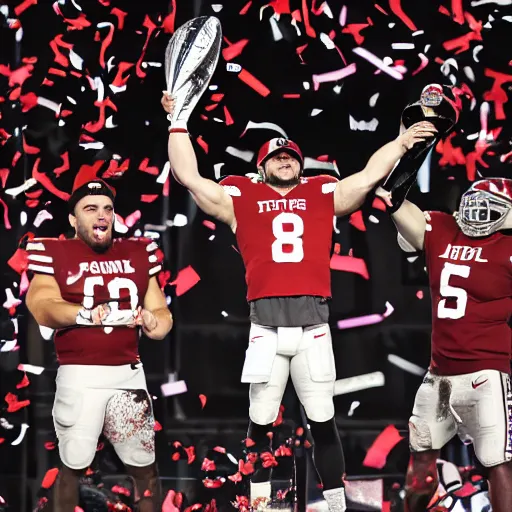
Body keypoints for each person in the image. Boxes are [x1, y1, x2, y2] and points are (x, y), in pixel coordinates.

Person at [161, 91, 436, 512]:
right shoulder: (240, 198)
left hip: (313, 327)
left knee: (322, 419)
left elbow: (365, 178)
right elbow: (189, 176)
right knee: (260, 424)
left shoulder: (321, 194)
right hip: (266, 329)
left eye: (291, 155)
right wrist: (177, 121)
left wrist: (400, 144)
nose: (285, 159)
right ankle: (259, 503)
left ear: (301, 163)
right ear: (260, 166)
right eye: (276, 156)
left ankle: (335, 503)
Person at [25, 174, 173, 512]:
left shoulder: (138, 251)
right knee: (73, 464)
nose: (102, 215)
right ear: (73, 219)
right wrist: (85, 314)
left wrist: (154, 323)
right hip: (81, 374)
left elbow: (161, 313)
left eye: (107, 208)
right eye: (91, 209)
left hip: (128, 374)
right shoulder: (55, 251)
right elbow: (43, 307)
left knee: (145, 466)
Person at [376, 178, 512, 512]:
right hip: (438, 376)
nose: (477, 213)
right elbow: (395, 204)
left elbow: (396, 205)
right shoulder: (440, 226)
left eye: (488, 207)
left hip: (486, 373)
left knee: (497, 462)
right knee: (421, 463)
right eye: (474, 203)